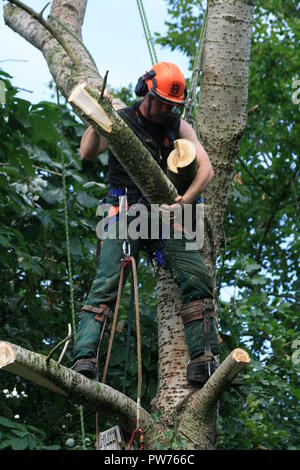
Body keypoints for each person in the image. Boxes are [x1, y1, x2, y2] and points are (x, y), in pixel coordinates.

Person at [72, 62, 221, 386]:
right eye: (163, 102)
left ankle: (204, 360)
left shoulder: (177, 126)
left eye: (172, 105)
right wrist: (100, 113)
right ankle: (84, 355)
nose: (166, 109)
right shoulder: (121, 121)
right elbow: (87, 151)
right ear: (146, 92)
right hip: (122, 210)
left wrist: (185, 200)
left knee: (196, 275)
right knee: (109, 280)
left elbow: (206, 170)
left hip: (163, 215)